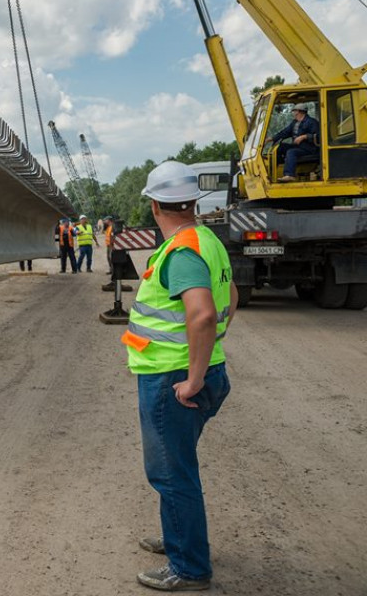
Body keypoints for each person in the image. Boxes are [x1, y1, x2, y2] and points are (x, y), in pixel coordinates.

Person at [121, 160, 238, 591]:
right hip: (205, 370)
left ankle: (189, 567)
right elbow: (232, 297)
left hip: (173, 380)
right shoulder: (207, 239)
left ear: (155, 205)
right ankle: (179, 539)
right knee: (178, 468)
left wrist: (192, 377)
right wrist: (211, 352)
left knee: (172, 474)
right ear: (192, 201)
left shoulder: (181, 250)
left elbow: (203, 314)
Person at [271, 102, 320, 182]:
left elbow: (318, 136)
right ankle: (273, 172)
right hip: (297, 147)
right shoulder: (295, 123)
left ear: (300, 111)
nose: (293, 113)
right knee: (280, 147)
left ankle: (290, 175)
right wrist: (273, 138)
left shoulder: (312, 122)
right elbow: (285, 132)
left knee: (291, 152)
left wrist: (304, 136)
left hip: (309, 149)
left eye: (294, 111)